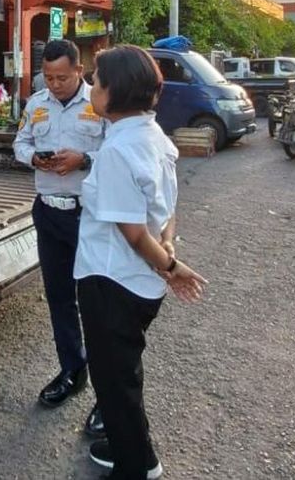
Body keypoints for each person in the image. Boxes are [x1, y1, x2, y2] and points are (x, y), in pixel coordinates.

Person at [76, 45, 208, 479]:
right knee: (122, 374)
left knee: (115, 382)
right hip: (138, 284)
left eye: (95, 80)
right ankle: (123, 443)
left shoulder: (118, 151)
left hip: (113, 282)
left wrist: (171, 268)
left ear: (114, 90)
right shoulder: (154, 137)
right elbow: (166, 208)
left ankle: (137, 464)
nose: (91, 88)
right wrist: (167, 250)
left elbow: (132, 232)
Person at [12, 39, 108, 437]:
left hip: (89, 215)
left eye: (62, 77)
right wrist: (34, 157)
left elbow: (118, 152)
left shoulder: (100, 104)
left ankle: (108, 395)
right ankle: (72, 370)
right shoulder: (36, 104)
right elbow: (20, 143)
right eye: (48, 77)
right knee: (59, 299)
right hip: (49, 212)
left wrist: (83, 160)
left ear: (79, 71)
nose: (54, 84)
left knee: (98, 304)